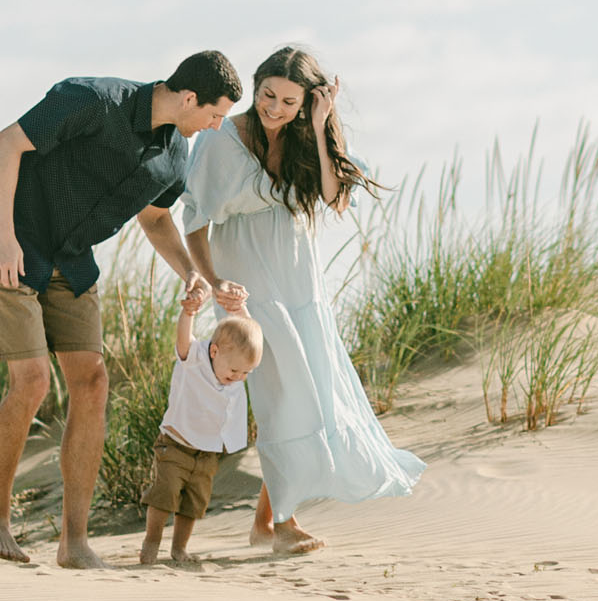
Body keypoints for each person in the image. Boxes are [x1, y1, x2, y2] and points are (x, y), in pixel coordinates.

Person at [0, 52, 243, 568]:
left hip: (70, 261)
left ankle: (74, 543)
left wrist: (191, 273)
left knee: (92, 381)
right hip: (12, 240)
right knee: (31, 381)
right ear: (189, 99)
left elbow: (156, 219)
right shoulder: (93, 100)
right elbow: (5, 144)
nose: (216, 124)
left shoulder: (174, 156)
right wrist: (3, 236)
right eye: (215, 114)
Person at [179, 45, 424, 553]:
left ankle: (268, 523)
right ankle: (278, 525)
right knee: (280, 398)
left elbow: (336, 198)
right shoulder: (222, 140)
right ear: (256, 87)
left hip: (300, 285)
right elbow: (195, 221)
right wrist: (212, 280)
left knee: (303, 397)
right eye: (268, 95)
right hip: (250, 288)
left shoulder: (302, 140)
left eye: (290, 102)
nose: (274, 108)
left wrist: (317, 126)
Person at [140, 282, 263, 566]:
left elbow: (249, 334)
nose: (239, 378)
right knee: (164, 495)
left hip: (207, 452)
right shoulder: (194, 358)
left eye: (247, 372)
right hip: (176, 445)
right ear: (214, 352)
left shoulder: (235, 369)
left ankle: (179, 549)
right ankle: (151, 543)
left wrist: (239, 309)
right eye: (235, 371)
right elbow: (183, 340)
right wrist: (189, 313)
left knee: (193, 504)